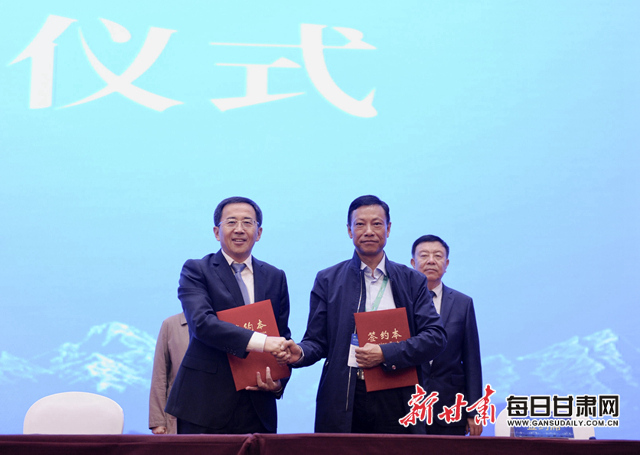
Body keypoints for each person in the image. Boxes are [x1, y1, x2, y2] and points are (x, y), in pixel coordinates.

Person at [284, 195, 447, 434]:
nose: (369, 231)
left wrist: (385, 353)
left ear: (388, 229)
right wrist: (299, 353)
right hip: (347, 395)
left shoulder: (412, 280)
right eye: (360, 224)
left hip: (398, 395)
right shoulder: (328, 279)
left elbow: (435, 337)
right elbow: (317, 341)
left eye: (377, 224)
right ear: (349, 230)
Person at [165, 196, 292, 434]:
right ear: (217, 232)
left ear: (259, 232)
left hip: (258, 405)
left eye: (247, 223)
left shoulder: (275, 276)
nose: (239, 229)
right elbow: (202, 324)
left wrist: (278, 383)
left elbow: (281, 335)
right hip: (205, 405)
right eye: (231, 222)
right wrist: (264, 342)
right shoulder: (196, 270)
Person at [411, 235, 482, 436]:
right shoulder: (400, 301)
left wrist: (473, 410)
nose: (431, 261)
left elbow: (472, 361)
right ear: (413, 263)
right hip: (409, 405)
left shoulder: (462, 303)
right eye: (424, 255)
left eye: (438, 256)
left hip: (450, 406)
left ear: (447, 263)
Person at [149, 312, 190, 434]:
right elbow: (160, 374)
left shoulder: (223, 322)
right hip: (180, 416)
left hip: (218, 416)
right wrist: (158, 421)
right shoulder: (171, 324)